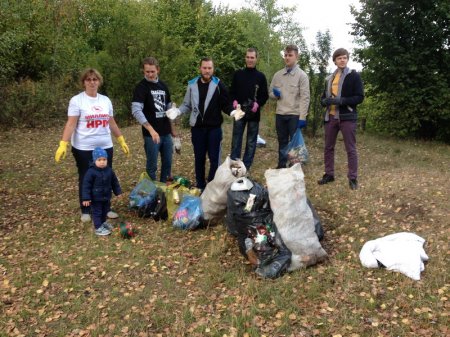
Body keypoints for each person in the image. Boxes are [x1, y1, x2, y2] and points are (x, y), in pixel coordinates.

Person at [55, 68, 129, 223]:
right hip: (84, 148)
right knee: (87, 177)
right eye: (88, 79)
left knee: (105, 176)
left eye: (95, 79)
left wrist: (121, 140)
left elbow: (112, 122)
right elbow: (70, 124)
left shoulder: (105, 100)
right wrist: (63, 144)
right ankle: (86, 209)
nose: (92, 82)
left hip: (105, 146)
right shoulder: (77, 100)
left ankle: (106, 207)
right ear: (83, 82)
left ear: (99, 82)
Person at [175, 57, 233, 190]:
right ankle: (200, 185)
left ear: (213, 69)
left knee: (214, 159)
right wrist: (178, 111)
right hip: (197, 129)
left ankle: (212, 185)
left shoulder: (219, 85)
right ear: (200, 68)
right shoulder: (192, 84)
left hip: (214, 129)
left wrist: (233, 112)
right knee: (199, 158)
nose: (207, 71)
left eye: (209, 68)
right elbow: (186, 105)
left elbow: (226, 104)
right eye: (205, 68)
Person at [318, 48, 364, 190]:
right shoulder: (330, 78)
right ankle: (329, 174)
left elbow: (359, 97)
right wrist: (323, 101)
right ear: (335, 61)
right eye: (339, 58)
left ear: (347, 59)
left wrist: (342, 101)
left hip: (347, 117)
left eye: (344, 57)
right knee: (328, 147)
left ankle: (353, 178)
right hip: (331, 116)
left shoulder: (354, 76)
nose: (342, 60)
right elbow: (324, 96)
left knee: (350, 148)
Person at [131, 57, 177, 182]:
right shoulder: (141, 87)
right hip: (151, 135)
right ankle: (151, 193)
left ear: (158, 70)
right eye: (147, 72)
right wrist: (151, 130)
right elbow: (136, 110)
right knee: (152, 166)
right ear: (143, 71)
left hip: (166, 133)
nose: (150, 74)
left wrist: (172, 128)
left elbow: (168, 107)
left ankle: (163, 190)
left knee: (167, 164)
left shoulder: (163, 86)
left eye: (152, 71)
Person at [269, 44, 310, 169]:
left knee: (294, 144)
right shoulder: (278, 75)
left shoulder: (302, 76)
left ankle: (294, 167)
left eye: (290, 55)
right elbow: (270, 93)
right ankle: (282, 165)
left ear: (296, 56)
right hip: (280, 114)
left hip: (294, 115)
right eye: (285, 55)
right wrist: (274, 95)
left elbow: (305, 97)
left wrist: (302, 117)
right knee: (282, 142)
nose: (287, 58)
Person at [229, 48, 269, 170]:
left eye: (252, 57)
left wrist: (258, 104)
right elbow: (232, 92)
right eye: (248, 57)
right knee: (236, 139)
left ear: (256, 59)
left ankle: (246, 166)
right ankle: (234, 165)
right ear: (245, 58)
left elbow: (264, 95)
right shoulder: (238, 74)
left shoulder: (260, 77)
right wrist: (234, 101)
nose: (250, 60)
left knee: (251, 142)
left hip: (253, 114)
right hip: (239, 112)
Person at [82, 147, 122, 236]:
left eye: (104, 159)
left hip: (106, 196)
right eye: (99, 160)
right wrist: (86, 198)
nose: (102, 162)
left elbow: (114, 182)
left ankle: (103, 223)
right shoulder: (91, 172)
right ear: (94, 160)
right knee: (97, 212)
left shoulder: (109, 171)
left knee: (105, 211)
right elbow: (86, 186)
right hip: (96, 198)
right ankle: (98, 227)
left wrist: (118, 192)